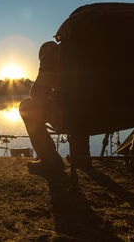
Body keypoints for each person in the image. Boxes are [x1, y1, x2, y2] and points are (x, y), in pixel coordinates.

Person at [19, 41, 90, 174]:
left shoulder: (53, 53)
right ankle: (82, 156)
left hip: (69, 116)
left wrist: (51, 97)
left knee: (26, 106)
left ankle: (50, 160)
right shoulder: (90, 52)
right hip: (111, 114)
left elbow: (36, 93)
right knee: (81, 103)